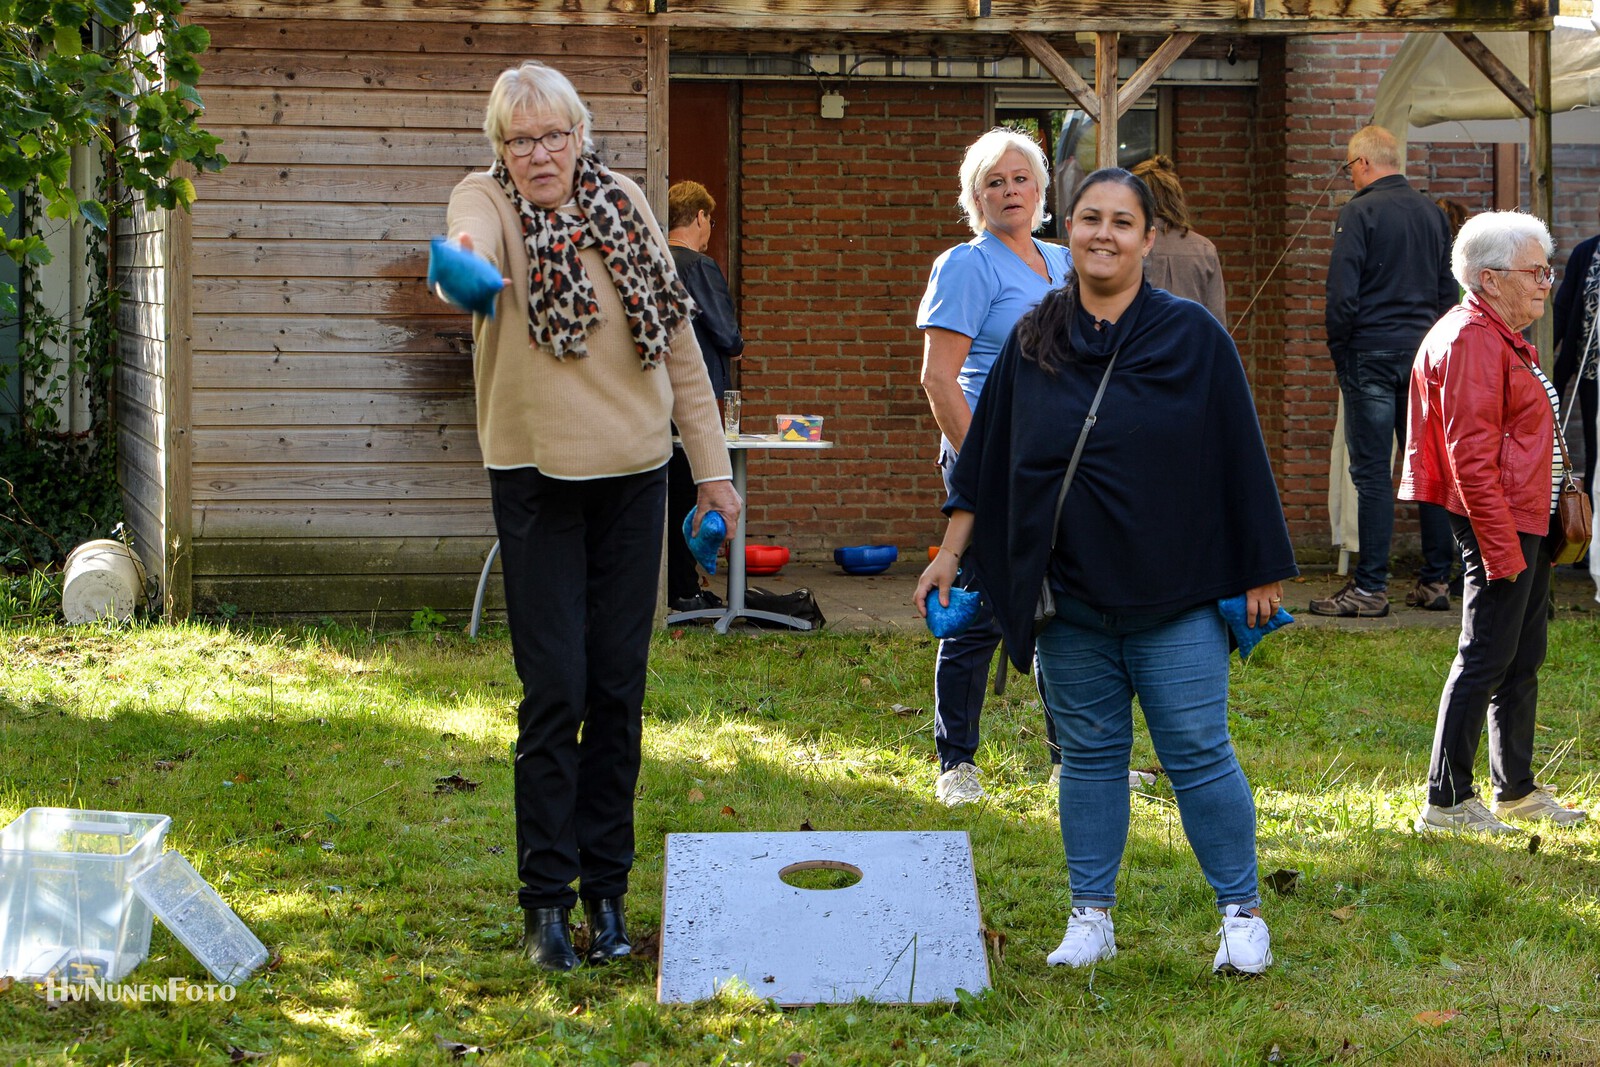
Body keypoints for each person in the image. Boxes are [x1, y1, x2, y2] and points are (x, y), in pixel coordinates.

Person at [915, 168, 1297, 974]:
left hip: (1176, 593)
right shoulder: (1033, 338)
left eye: (1123, 222)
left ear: (1149, 239)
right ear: (1071, 226)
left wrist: (1261, 566)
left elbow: (1240, 453)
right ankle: (1091, 915)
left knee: (1197, 749)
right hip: (1072, 598)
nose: (1103, 234)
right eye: (1090, 218)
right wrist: (952, 551)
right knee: (1088, 757)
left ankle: (1241, 912)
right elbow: (984, 460)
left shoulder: (1193, 337)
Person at [444, 61, 740, 971]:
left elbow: (679, 341)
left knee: (618, 690)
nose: (537, 154)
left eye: (552, 136)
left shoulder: (624, 204)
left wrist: (713, 470)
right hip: (535, 476)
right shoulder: (486, 200)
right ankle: (546, 905)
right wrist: (461, 272)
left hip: (634, 475)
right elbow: (469, 248)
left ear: (581, 135)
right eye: (519, 140)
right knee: (556, 690)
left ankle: (607, 896)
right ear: (501, 148)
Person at [1401, 211, 1590, 834]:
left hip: (1524, 515)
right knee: (1485, 654)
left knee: (1521, 653)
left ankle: (1516, 790)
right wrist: (1500, 544)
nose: (1546, 282)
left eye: (1548, 269)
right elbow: (1470, 459)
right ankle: (1447, 801)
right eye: (1535, 271)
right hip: (1499, 518)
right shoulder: (1471, 340)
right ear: (1489, 278)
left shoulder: (1499, 334)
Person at [916, 127, 1072, 806]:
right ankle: (957, 763)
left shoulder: (1066, 263)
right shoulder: (966, 265)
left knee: (1069, 614)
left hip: (1063, 466)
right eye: (994, 182)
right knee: (980, 611)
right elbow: (939, 379)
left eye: (1020, 178)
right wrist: (984, 467)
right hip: (990, 462)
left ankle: (1076, 758)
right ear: (974, 196)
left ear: (1041, 189)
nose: (1009, 191)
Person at [1312, 125, 1458, 618]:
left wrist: (1340, 351)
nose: (1350, 176)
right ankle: (1436, 581)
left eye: (1349, 167)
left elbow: (1341, 294)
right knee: (1429, 471)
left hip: (1369, 352)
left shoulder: (1358, 211)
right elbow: (1447, 294)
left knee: (1373, 474)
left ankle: (1370, 587)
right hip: (1423, 355)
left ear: (1363, 163)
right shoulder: (1433, 215)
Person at [664, 180, 745, 613]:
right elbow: (728, 336)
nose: (710, 228)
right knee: (694, 490)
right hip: (693, 396)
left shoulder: (653, 261)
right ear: (699, 217)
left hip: (655, 398)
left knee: (669, 489)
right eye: (710, 220)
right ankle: (683, 589)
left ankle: (674, 585)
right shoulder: (698, 265)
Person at [1129, 155, 1226, 325]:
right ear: (1175, 198)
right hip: (1192, 347)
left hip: (1139, 348)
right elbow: (1217, 323)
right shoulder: (1204, 249)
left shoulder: (1128, 243)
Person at [1552, 227, 1599, 495]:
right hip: (1592, 372)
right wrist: (1542, 360)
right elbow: (1563, 309)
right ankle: (1594, 527)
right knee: (1596, 449)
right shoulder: (1587, 253)